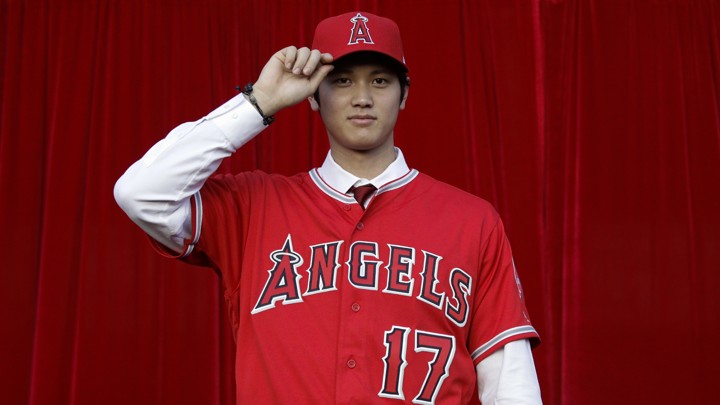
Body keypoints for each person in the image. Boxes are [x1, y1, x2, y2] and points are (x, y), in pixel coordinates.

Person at [115, 11, 542, 404]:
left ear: (404, 93)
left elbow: (511, 382)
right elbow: (141, 193)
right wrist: (259, 102)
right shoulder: (251, 207)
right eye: (341, 81)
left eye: (379, 81)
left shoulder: (472, 220)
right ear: (312, 96)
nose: (362, 98)